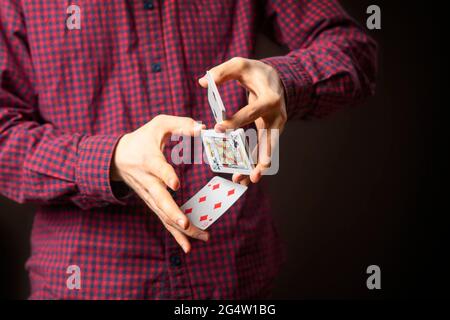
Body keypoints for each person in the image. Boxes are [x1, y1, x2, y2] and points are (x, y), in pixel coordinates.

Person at [0, 0, 377, 299]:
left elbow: (353, 51)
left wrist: (286, 79)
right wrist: (110, 158)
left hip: (236, 280)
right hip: (90, 282)